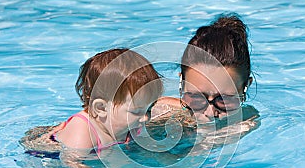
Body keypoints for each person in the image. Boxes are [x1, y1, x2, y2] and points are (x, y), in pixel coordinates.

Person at [20, 48, 163, 157]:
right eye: (137, 111)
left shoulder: (134, 124)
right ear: (101, 108)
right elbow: (72, 163)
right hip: (51, 156)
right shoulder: (83, 130)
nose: (146, 117)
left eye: (149, 108)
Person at [152, 13, 258, 125]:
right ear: (182, 84)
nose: (210, 113)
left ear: (245, 87)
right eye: (197, 98)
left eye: (224, 100)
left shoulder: (246, 121)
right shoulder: (157, 113)